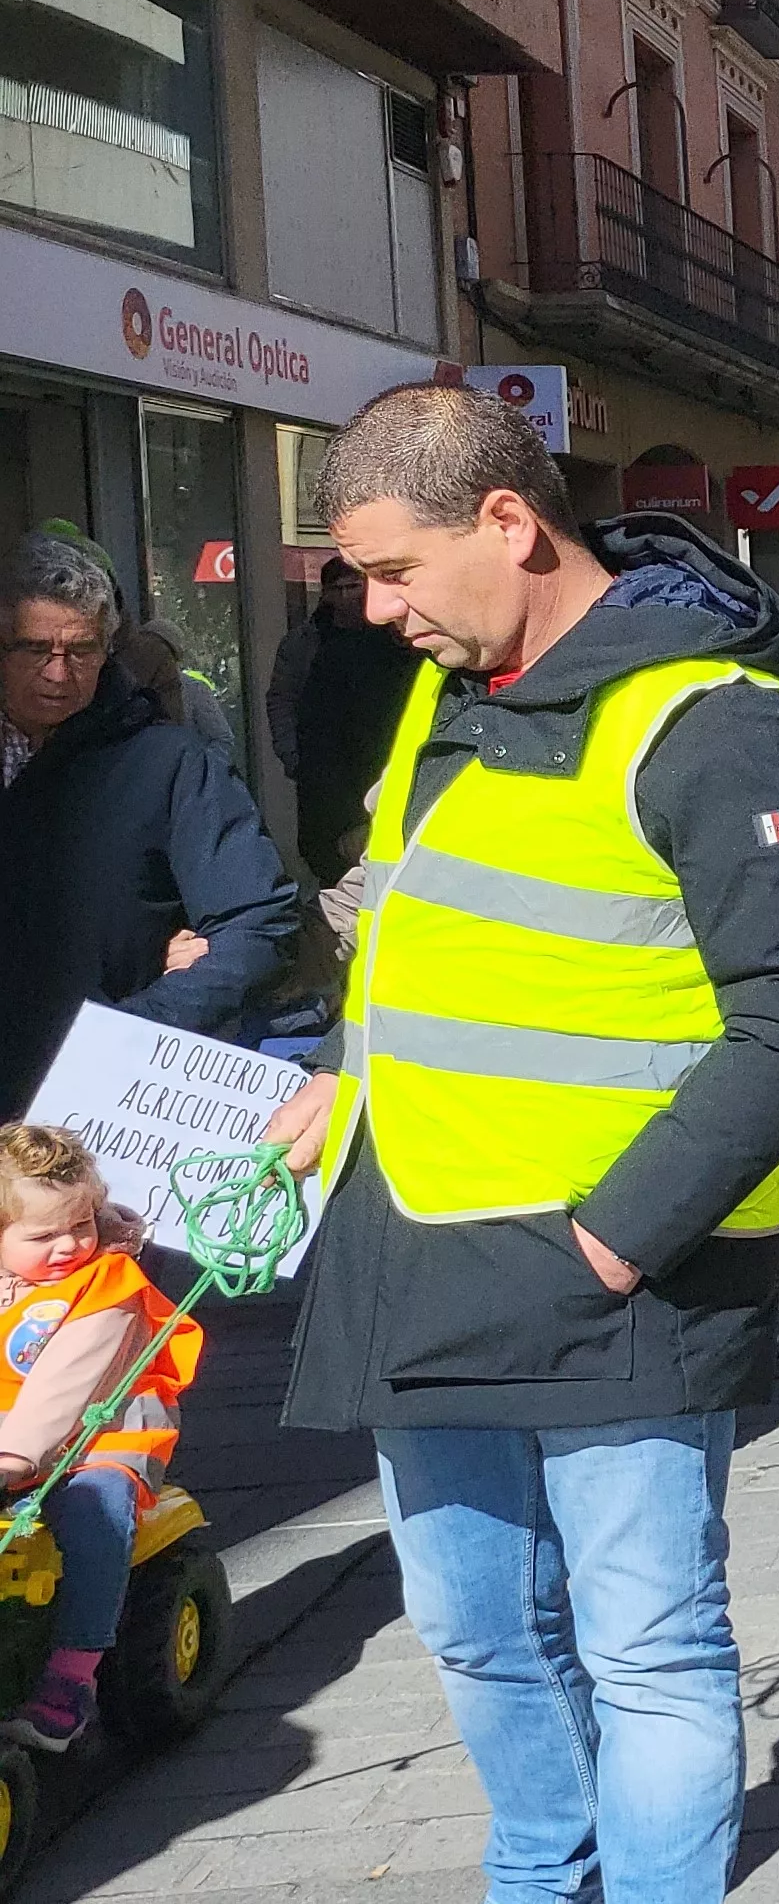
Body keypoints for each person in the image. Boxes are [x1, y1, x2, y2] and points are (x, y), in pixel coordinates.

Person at [258, 382, 779, 1904]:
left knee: (648, 1648)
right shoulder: (443, 690)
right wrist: (344, 1075)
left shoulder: (707, 718)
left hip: (618, 1268)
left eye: (394, 569)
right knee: (474, 1628)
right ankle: (543, 1872)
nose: (378, 608)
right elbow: (418, 935)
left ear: (508, 521)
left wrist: (617, 1232)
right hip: (424, 1247)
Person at [0, 530, 297, 1113]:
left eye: (81, 651)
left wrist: (145, 1023)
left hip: (94, 1100)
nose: (59, 674)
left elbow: (259, 920)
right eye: (35, 650)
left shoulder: (171, 764)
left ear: (109, 650)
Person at [0, 1122, 202, 1753]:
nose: (68, 1245)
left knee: (97, 1513)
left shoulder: (107, 1286)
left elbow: (65, 1385)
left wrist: (11, 1459)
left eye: (81, 1225)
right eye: (43, 1236)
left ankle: (72, 1674)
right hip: (16, 1442)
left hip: (103, 1435)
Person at [269, 554, 423, 883]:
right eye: (336, 589)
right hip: (331, 785)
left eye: (352, 587)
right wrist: (294, 758)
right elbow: (285, 703)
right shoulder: (308, 646)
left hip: (382, 772)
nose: (344, 597)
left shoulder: (392, 647)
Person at [118, 618, 235, 754]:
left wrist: (191, 763)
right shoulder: (121, 687)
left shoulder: (194, 690)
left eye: (159, 652)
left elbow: (222, 740)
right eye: (144, 648)